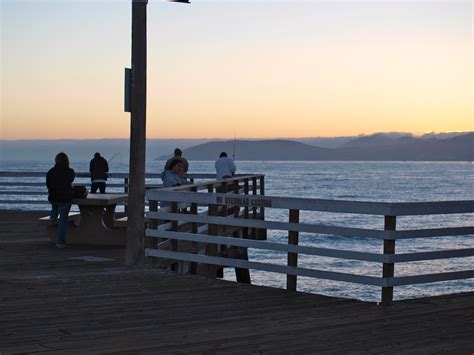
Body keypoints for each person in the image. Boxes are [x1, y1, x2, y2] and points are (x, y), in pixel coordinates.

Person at [46, 152, 75, 249]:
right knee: (63, 220)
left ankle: (53, 216)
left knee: (55, 205)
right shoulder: (70, 171)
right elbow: (70, 180)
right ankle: (60, 242)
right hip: (65, 199)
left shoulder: (50, 172)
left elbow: (48, 185)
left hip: (54, 198)